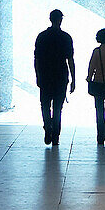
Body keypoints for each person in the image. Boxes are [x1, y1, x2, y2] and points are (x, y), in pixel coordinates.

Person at [33, 9, 75, 145]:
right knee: (58, 107)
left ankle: (47, 127)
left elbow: (37, 59)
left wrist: (37, 75)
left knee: (45, 105)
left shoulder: (42, 36)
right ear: (61, 20)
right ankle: (55, 135)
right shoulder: (66, 37)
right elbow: (70, 60)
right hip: (61, 76)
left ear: (50, 19)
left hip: (45, 75)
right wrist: (73, 78)